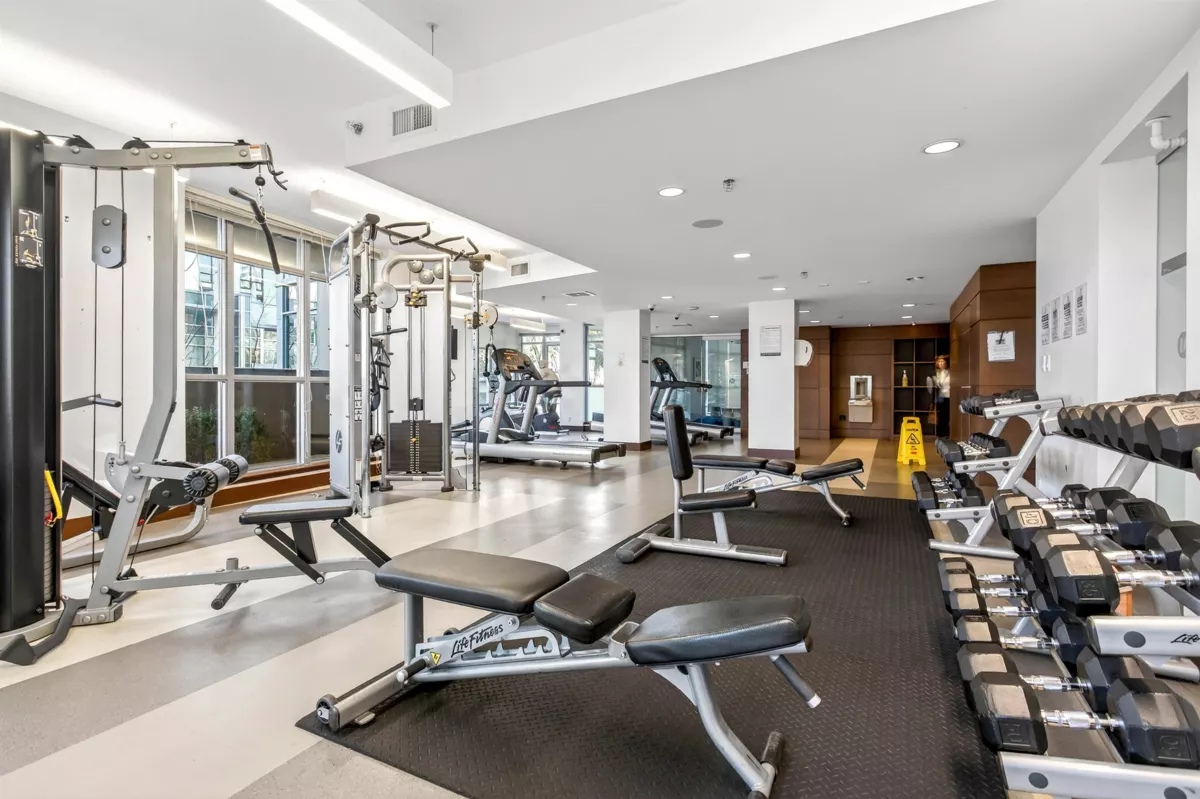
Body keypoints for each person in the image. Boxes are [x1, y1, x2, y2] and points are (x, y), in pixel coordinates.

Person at [927, 356, 951, 438]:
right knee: (941, 417)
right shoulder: (935, 374)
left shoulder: (950, 372)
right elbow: (930, 387)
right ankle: (941, 434)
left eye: (942, 361)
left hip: (950, 396)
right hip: (941, 397)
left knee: (949, 416)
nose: (941, 363)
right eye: (939, 361)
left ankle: (948, 433)